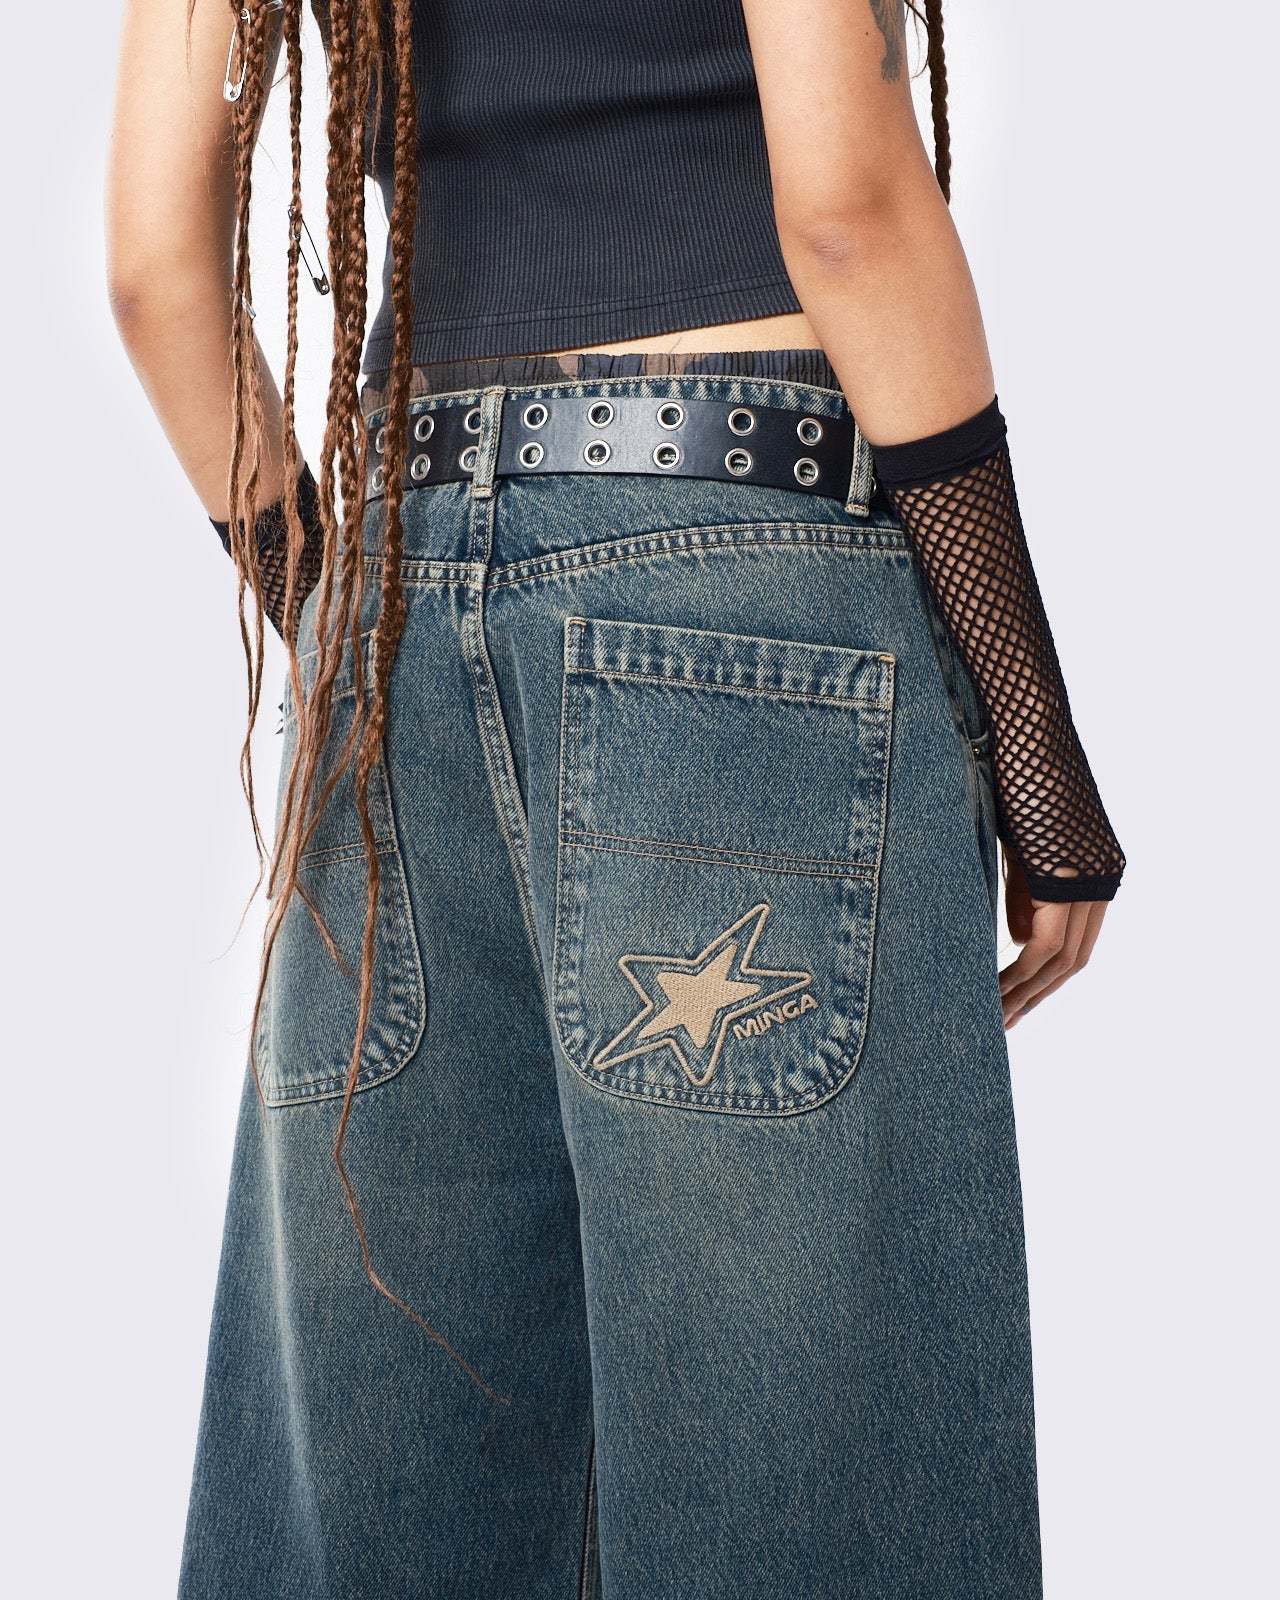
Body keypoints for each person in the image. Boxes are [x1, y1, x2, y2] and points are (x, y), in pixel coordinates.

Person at [106, 2, 1126, 1595]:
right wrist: (1038, 750)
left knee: (401, 1465)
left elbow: (153, 267)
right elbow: (847, 209)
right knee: (807, 1491)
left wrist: (340, 626)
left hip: (397, 586)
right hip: (737, 587)